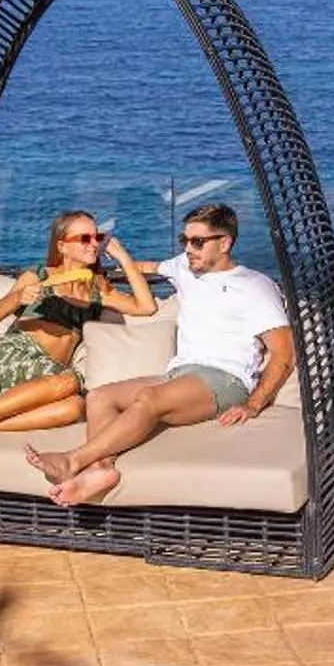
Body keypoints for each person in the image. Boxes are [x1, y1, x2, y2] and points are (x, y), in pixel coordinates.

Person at [26, 201, 294, 506]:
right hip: (180, 374)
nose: (188, 248)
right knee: (99, 396)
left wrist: (255, 404)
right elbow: (147, 269)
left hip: (225, 379)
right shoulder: (184, 266)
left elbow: (283, 353)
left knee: (149, 399)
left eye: (197, 242)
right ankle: (101, 470)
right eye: (184, 240)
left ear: (225, 243)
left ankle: (73, 461)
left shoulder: (255, 286)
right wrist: (95, 264)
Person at [0, 210, 157, 463]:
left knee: (74, 407)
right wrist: (17, 298)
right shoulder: (39, 276)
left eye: (98, 237)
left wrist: (122, 256)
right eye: (85, 238)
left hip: (46, 376)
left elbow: (146, 307)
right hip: (11, 356)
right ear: (62, 245)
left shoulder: (97, 288)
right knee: (71, 382)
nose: (94, 244)